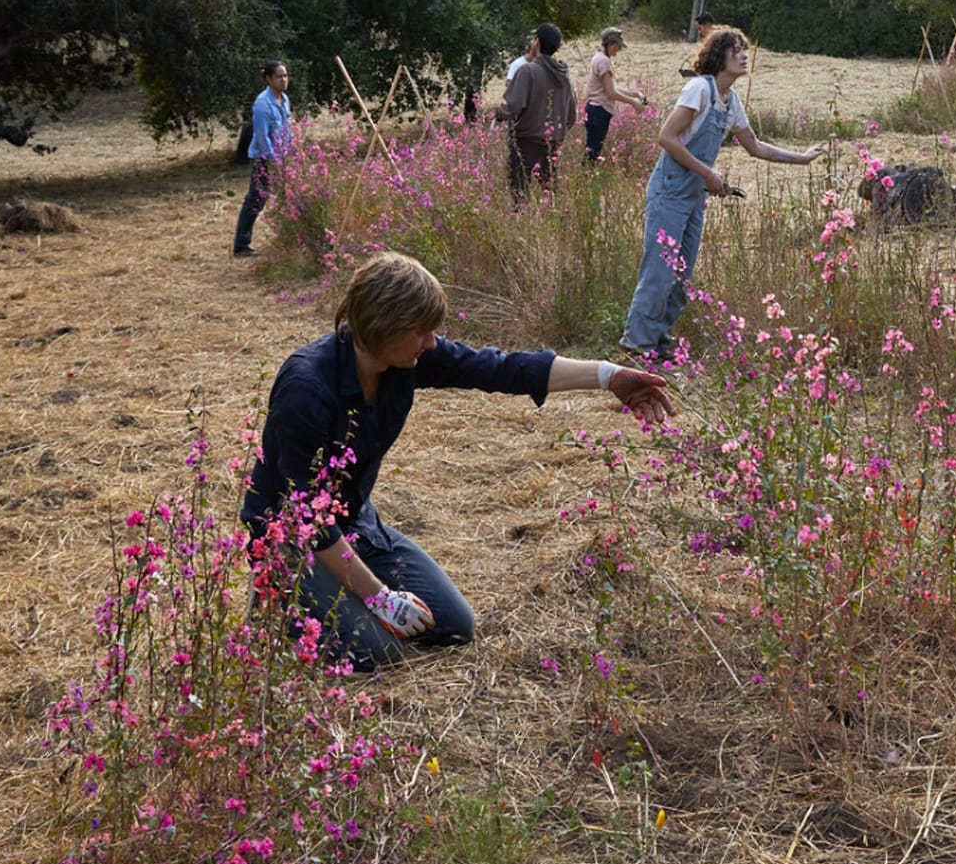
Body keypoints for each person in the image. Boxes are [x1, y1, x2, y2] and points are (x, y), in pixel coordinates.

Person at [242, 251, 674, 672]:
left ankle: (333, 591)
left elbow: (501, 369)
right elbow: (306, 515)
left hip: (354, 523)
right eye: (421, 331)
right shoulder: (306, 387)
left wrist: (609, 375)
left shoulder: (404, 359)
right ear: (383, 326)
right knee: (377, 654)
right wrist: (378, 597)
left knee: (451, 626)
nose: (431, 343)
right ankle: (279, 595)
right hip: (290, 538)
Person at [621, 27, 823, 361]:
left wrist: (801, 158)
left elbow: (755, 146)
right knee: (659, 271)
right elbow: (666, 138)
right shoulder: (699, 88)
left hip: (693, 196)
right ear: (720, 56)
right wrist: (708, 173)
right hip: (669, 190)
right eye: (736, 49)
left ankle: (657, 344)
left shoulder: (732, 103)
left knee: (681, 276)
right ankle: (636, 347)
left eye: (744, 49)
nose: (744, 55)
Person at [494, 23, 577, 199]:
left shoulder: (527, 71)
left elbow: (514, 106)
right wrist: (557, 133)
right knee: (551, 195)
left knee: (520, 193)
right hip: (552, 143)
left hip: (526, 142)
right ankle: (552, 225)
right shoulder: (564, 78)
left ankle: (521, 223)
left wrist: (500, 113)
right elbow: (571, 116)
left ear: (536, 42)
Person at [233, 60, 293, 259]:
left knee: (288, 198)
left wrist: (291, 154)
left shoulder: (284, 99)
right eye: (279, 76)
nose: (283, 80)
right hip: (264, 159)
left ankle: (289, 239)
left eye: (285, 75)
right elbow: (262, 137)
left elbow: (287, 130)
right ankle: (241, 246)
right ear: (269, 79)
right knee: (256, 200)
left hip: (282, 157)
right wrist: (274, 162)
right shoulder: (262, 104)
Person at [582, 26, 648, 164]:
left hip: (596, 111)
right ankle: (584, 178)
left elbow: (611, 88)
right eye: (618, 46)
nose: (619, 49)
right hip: (598, 112)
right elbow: (611, 93)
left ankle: (587, 175)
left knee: (593, 152)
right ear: (610, 44)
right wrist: (634, 103)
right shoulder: (603, 61)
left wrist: (634, 93)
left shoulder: (600, 58)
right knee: (591, 155)